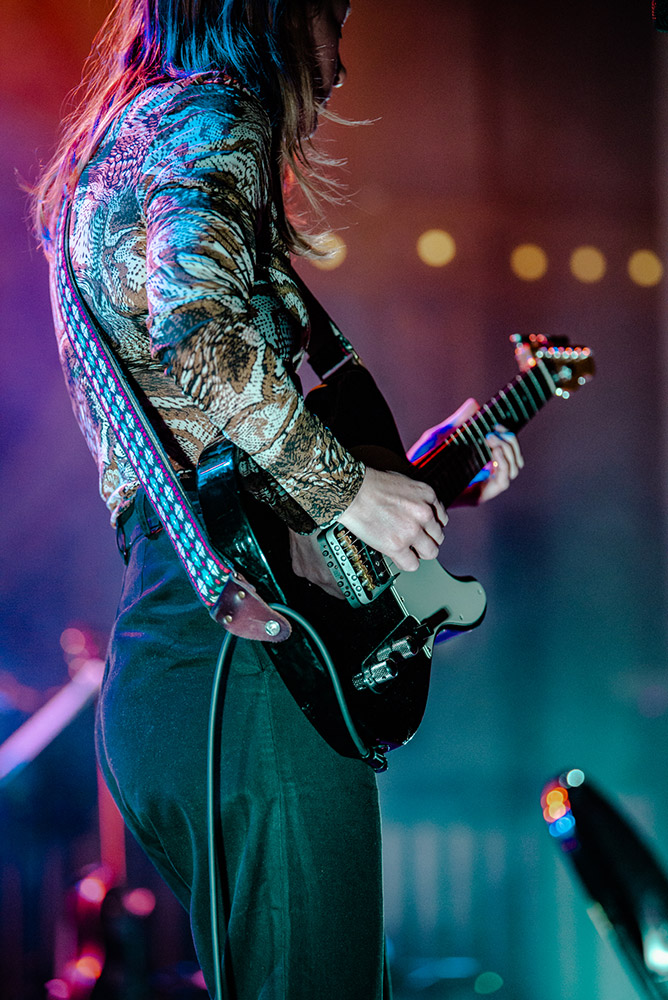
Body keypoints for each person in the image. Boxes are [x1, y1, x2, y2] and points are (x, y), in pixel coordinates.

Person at [33, 1, 523, 997]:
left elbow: (230, 464)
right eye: (332, 17)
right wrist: (350, 489)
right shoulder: (214, 117)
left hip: (191, 655)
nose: (339, 62)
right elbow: (203, 341)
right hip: (247, 661)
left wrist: (413, 489)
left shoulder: (126, 147)